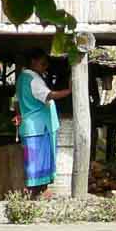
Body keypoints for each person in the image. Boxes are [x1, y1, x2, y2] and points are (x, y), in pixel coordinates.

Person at [15, 48, 70, 198]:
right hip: (39, 126)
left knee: (33, 160)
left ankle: (38, 190)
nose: (45, 67)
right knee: (38, 161)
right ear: (33, 61)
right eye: (43, 63)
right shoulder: (33, 79)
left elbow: (16, 101)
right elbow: (49, 95)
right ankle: (36, 191)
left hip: (31, 125)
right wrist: (70, 91)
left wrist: (19, 114)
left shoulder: (22, 78)